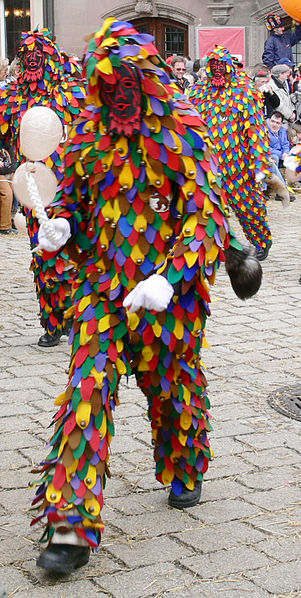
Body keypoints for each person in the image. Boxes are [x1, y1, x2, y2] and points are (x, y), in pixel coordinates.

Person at [29, 18, 264, 574]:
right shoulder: (89, 137)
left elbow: (206, 219)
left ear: (149, 81)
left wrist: (170, 278)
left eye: (127, 87)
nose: (118, 99)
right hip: (105, 293)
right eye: (108, 90)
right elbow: (76, 207)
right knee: (85, 393)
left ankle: (186, 467)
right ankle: (68, 526)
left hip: (169, 298)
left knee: (172, 388)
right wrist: (60, 225)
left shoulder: (182, 133)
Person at [0, 28, 86, 346]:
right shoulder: (14, 97)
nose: (33, 61)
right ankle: (53, 322)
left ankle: (77, 316)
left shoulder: (73, 94)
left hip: (69, 189)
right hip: (33, 189)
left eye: (39, 56)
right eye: (27, 57)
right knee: (43, 257)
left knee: (72, 253)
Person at [189, 45, 273, 261]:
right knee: (207, 209)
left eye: (222, 66)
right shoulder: (198, 92)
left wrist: (260, 163)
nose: (218, 70)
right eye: (213, 66)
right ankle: (212, 246)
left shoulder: (245, 92)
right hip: (207, 165)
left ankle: (261, 241)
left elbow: (256, 131)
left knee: (248, 206)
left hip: (239, 166)